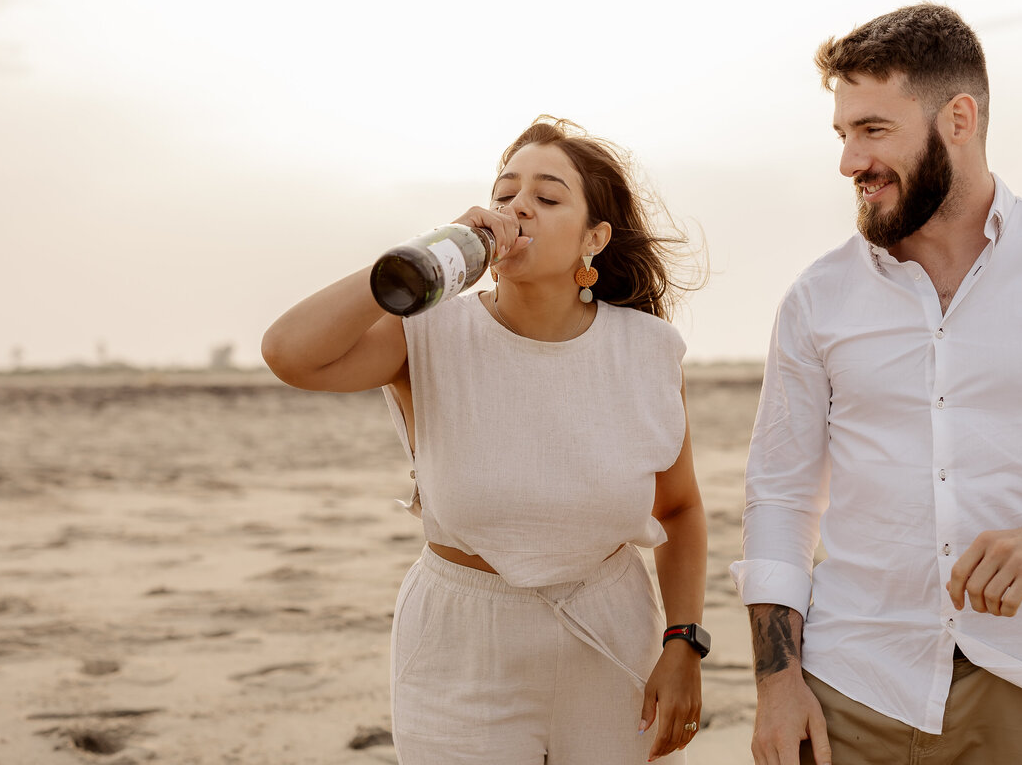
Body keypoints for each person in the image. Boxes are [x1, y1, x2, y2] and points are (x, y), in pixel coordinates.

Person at [732, 3, 1022, 765]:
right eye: (843, 134)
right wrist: (777, 685)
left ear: (958, 117)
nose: (850, 161)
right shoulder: (818, 297)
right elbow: (779, 495)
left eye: (874, 130)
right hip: (849, 687)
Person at [262, 116, 709, 764]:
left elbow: (680, 509)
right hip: (460, 641)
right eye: (504, 195)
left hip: (611, 631)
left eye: (548, 197)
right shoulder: (428, 335)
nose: (517, 207)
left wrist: (682, 642)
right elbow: (290, 354)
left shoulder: (648, 351)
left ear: (595, 238)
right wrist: (420, 258)